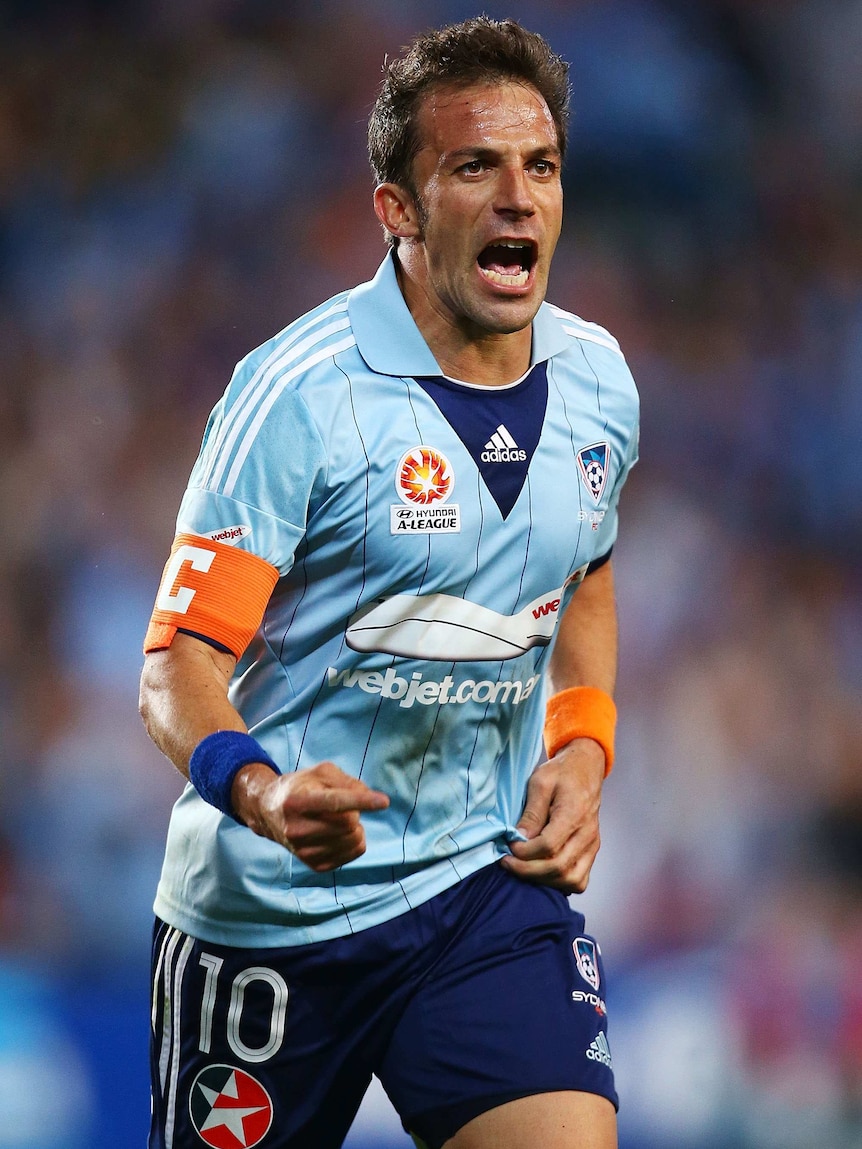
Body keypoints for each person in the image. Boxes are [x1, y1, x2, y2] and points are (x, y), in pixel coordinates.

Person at [139, 16, 639, 1149]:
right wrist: (265, 795)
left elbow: (587, 572)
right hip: (272, 920)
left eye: (541, 166)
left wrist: (582, 741)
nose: (519, 198)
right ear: (397, 210)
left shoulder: (599, 380)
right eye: (475, 166)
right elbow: (177, 665)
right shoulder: (300, 395)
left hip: (482, 889)